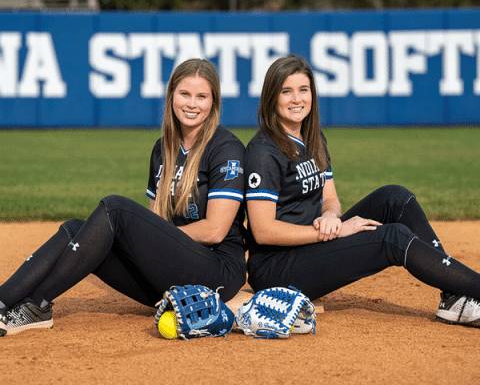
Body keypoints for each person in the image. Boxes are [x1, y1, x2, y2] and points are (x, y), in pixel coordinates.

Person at [0, 58, 247, 337]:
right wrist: (154, 240)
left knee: (115, 209)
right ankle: (3, 300)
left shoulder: (226, 148)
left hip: (217, 273)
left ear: (214, 102)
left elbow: (215, 231)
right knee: (74, 229)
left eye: (202, 96)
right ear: (171, 96)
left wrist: (159, 238)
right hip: (174, 272)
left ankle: (37, 306)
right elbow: (156, 219)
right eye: (185, 94)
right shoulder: (163, 148)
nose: (192, 104)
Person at [244, 54, 480, 328]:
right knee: (392, 238)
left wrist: (331, 218)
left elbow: (330, 199)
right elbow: (262, 230)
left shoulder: (312, 137)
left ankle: (453, 297)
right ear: (272, 96)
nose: (297, 99)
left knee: (395, 197)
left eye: (303, 90)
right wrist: (331, 231)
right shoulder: (264, 151)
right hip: (276, 269)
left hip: (311, 244)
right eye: (286, 91)